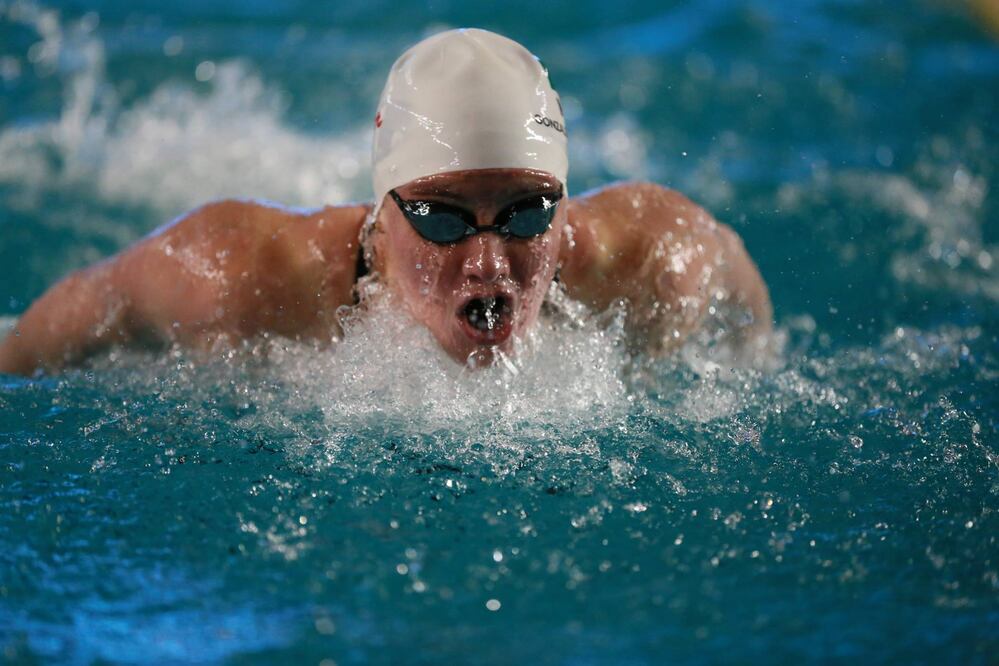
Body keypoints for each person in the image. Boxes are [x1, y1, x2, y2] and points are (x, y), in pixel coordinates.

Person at [0, 28, 771, 376]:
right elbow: (67, 318)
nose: (487, 262)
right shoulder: (236, 277)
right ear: (382, 210)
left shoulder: (656, 262)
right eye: (439, 217)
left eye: (528, 213)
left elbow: (748, 327)